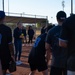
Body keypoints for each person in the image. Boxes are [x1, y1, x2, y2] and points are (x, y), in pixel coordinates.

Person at [45, 11, 67, 75]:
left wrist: (47, 61)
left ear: (57, 19)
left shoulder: (51, 31)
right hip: (68, 63)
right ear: (65, 19)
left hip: (55, 62)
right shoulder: (71, 30)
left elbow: (47, 48)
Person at [0, 11, 14, 75]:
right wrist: (12, 54)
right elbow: (10, 44)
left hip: (4, 53)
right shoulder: (7, 29)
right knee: (3, 70)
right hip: (4, 53)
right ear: (4, 18)